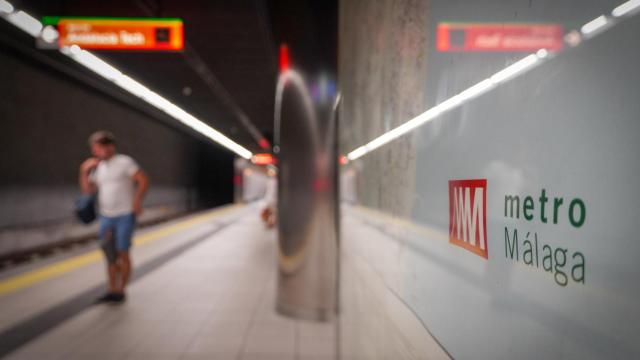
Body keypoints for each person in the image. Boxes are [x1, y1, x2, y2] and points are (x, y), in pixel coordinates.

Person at [79, 131, 149, 303]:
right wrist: (83, 171)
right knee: (110, 255)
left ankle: (121, 290)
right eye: (94, 148)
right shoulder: (98, 167)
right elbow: (88, 190)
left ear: (109, 147)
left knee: (122, 252)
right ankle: (112, 289)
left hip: (125, 215)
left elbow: (143, 180)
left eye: (97, 147)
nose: (94, 151)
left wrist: (137, 202)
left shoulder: (124, 162)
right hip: (106, 217)